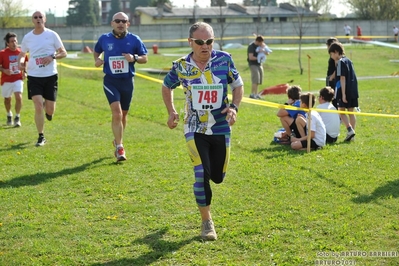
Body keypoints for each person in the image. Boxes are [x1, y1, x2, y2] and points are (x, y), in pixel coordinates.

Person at [162, 22, 244, 241]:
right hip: (194, 127)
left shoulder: (224, 59)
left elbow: (237, 85)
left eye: (209, 41)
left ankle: (213, 183)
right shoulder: (181, 66)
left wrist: (234, 108)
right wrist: (171, 111)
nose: (205, 46)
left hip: (220, 127)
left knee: (217, 177)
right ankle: (207, 222)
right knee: (200, 175)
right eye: (200, 42)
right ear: (190, 42)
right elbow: (166, 85)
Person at [94, 12, 148, 162]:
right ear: (112, 23)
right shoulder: (104, 39)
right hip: (111, 81)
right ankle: (120, 147)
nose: (120, 23)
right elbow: (97, 51)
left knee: (123, 115)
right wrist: (97, 60)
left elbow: (145, 58)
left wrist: (134, 58)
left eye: (123, 21)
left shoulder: (134, 39)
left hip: (127, 82)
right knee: (116, 113)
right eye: (117, 21)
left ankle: (118, 140)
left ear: (128, 24)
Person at [17, 11, 67, 146]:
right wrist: (21, 61)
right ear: (32, 20)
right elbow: (22, 53)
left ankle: (48, 110)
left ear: (44, 19)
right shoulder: (28, 37)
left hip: (50, 75)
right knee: (38, 106)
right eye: (35, 17)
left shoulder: (52, 35)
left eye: (40, 17)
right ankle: (41, 136)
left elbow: (63, 52)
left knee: (49, 110)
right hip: (34, 76)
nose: (38, 19)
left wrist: (52, 57)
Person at [329, 42, 358, 142]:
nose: (332, 57)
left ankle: (350, 130)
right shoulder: (349, 61)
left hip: (344, 90)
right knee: (351, 112)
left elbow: (342, 78)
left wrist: (344, 94)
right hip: (353, 89)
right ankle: (352, 135)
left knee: (341, 111)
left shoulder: (340, 62)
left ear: (336, 52)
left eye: (332, 54)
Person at [0, 32, 28, 127]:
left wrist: (25, 72)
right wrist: (4, 70)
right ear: (7, 43)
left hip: (18, 78)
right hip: (6, 79)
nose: (14, 43)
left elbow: (26, 62)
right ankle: (9, 114)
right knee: (7, 99)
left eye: (15, 41)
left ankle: (17, 117)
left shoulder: (21, 52)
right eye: (11, 41)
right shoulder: (2, 53)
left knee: (18, 97)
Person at [325, 37, 338, 109]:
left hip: (332, 78)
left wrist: (331, 77)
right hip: (330, 77)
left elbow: (337, 68)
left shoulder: (335, 56)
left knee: (333, 97)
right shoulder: (332, 55)